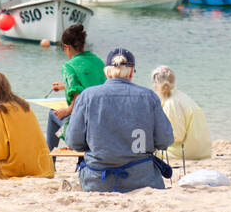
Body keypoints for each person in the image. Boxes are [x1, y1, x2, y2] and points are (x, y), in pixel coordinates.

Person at [64, 48, 174, 192]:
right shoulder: (148, 97)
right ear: (131, 71)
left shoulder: (87, 96)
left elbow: (73, 142)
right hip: (142, 179)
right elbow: (165, 140)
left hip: (98, 180)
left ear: (106, 71)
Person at [44, 23, 105, 150]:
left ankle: (50, 161)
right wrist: (65, 86)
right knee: (63, 120)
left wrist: (66, 110)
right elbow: (93, 87)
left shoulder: (69, 66)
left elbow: (79, 97)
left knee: (53, 114)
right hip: (101, 119)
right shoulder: (97, 61)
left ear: (66, 47)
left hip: (84, 125)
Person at [149, 65, 211, 160]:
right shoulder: (180, 96)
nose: (153, 86)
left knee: (145, 151)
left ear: (157, 84)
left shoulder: (171, 103)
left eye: (154, 83)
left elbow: (178, 136)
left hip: (187, 152)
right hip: (202, 150)